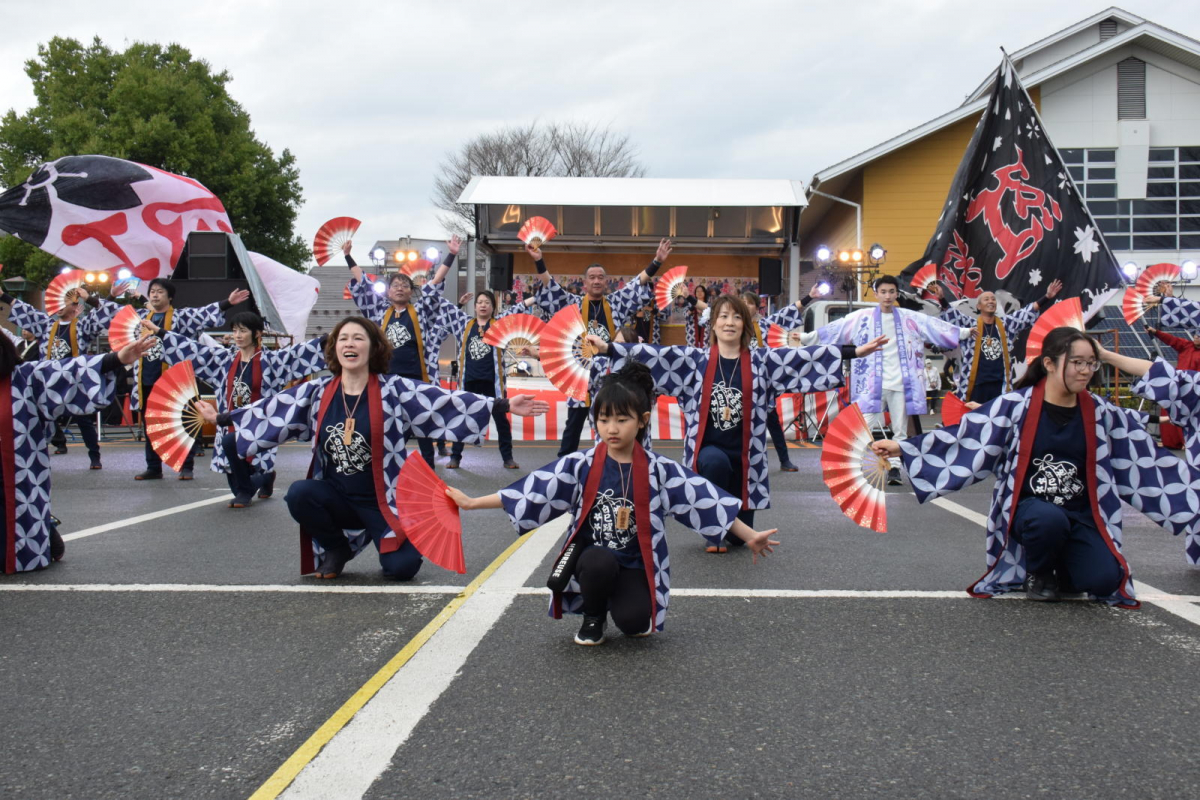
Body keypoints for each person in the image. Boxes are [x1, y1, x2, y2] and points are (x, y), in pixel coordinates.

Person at [446, 361, 779, 645]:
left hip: (636, 562)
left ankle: (620, 602)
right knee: (598, 562)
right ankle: (593, 616)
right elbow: (534, 491)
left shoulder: (659, 469)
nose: (612, 428)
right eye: (604, 420)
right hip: (595, 560)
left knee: (635, 624)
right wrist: (473, 502)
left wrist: (749, 535)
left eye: (622, 420)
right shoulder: (582, 464)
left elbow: (704, 501)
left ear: (643, 420)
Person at [202, 317, 548, 580]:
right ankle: (337, 548)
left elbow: (446, 401)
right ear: (335, 348)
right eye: (343, 338)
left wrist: (502, 405)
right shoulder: (319, 392)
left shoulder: (394, 390)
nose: (349, 343)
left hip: (385, 501)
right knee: (299, 493)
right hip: (337, 496)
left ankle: (395, 538)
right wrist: (221, 418)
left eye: (358, 338)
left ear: (373, 347)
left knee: (402, 569)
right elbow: (273, 410)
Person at [871, 326, 1197, 605]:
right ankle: (1039, 573)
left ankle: (1066, 567)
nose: (1085, 370)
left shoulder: (1100, 411)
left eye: (1090, 363)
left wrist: (1188, 484)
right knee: (1048, 520)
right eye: (1077, 363)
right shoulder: (1017, 406)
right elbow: (967, 436)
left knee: (1104, 580)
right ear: (1050, 364)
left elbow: (1141, 447)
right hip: (1032, 510)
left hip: (1083, 514)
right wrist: (902, 447)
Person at [591, 294, 884, 552]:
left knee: (739, 540)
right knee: (714, 463)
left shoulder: (763, 362)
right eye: (723, 316)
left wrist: (854, 351)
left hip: (747, 459)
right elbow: (654, 355)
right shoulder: (694, 361)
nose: (729, 322)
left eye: (736, 317)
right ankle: (712, 530)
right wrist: (608, 349)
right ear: (713, 325)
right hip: (708, 451)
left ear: (744, 324)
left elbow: (804, 358)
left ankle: (732, 528)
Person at [0, 332, 156, 573]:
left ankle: (45, 531)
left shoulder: (24, 377)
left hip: (15, 477)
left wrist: (115, 359)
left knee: (15, 540)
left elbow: (68, 370)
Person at [150, 312, 327, 507]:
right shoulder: (224, 359)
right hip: (229, 422)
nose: (238, 335)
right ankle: (264, 478)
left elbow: (301, 352)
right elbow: (194, 351)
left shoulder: (272, 361)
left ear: (257, 333)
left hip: (259, 424)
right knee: (236, 472)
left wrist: (333, 338)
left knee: (242, 484)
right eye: (235, 330)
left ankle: (252, 485)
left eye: (243, 331)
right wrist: (161, 333)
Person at [814, 274, 971, 485]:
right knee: (863, 426)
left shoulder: (909, 317)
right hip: (872, 383)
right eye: (883, 292)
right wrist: (807, 338)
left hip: (901, 383)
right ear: (877, 294)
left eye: (891, 292)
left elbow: (934, 326)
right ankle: (856, 465)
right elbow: (836, 329)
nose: (888, 296)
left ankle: (895, 469)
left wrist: (964, 332)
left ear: (897, 294)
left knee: (900, 429)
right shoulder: (863, 317)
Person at [528, 238, 663, 456]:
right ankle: (566, 469)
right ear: (585, 283)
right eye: (592, 278)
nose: (597, 281)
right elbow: (550, 286)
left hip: (610, 375)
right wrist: (539, 260)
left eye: (600, 277)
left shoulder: (616, 303)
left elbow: (638, 283)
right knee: (572, 428)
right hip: (580, 374)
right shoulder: (572, 304)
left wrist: (657, 261)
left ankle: (608, 462)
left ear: (606, 282)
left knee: (608, 425)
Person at [342, 239, 457, 468]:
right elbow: (363, 284)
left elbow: (435, 284)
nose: (400, 288)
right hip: (388, 379)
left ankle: (427, 467)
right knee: (391, 423)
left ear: (411, 291)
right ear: (388, 291)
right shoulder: (379, 312)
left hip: (418, 377)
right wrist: (348, 257)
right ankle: (388, 466)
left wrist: (451, 255)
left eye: (405, 285)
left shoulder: (421, 310)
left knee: (422, 421)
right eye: (395, 285)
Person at [425, 257, 544, 470]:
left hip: (493, 382)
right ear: (475, 305)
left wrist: (536, 298)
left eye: (487, 303)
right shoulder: (464, 323)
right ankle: (456, 457)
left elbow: (517, 309)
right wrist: (457, 301)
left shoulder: (499, 324)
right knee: (461, 418)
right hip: (468, 381)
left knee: (501, 420)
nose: (482, 305)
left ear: (492, 307)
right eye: (479, 302)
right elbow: (446, 309)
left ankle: (507, 458)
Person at [5, 279, 133, 468]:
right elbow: (27, 312)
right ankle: (41, 453)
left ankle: (94, 455)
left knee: (83, 419)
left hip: (75, 379)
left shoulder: (82, 327)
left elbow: (102, 315)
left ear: (74, 305)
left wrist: (111, 296)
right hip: (49, 380)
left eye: (62, 302)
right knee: (40, 416)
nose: (57, 306)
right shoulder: (46, 326)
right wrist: (3, 296)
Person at [132, 278, 248, 480]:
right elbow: (114, 316)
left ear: (170, 297)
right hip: (147, 375)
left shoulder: (181, 317)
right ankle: (153, 467)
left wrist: (227, 303)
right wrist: (100, 299)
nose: (155, 295)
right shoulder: (141, 319)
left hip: (175, 378)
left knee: (183, 422)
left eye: (160, 291)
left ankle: (186, 466)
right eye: (152, 291)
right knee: (151, 424)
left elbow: (202, 314)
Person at [931, 280, 1062, 404]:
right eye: (986, 299)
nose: (991, 301)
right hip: (976, 384)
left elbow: (1026, 313)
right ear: (978, 306)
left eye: (993, 299)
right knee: (975, 420)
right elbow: (954, 315)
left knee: (997, 421)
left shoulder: (1006, 324)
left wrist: (1047, 296)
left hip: (1000, 384)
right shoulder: (971, 325)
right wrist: (942, 298)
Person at [1141, 323, 1200, 450]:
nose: (1196, 338)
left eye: (1199, 337)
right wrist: (1155, 332)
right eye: (1195, 335)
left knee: (1189, 415)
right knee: (1170, 411)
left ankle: (1188, 441)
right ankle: (1172, 441)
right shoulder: (1186, 346)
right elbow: (1171, 340)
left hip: (1194, 388)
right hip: (1178, 385)